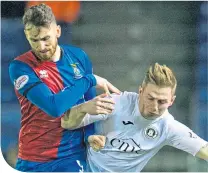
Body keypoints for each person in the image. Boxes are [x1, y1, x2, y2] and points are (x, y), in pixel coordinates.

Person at [8, 3, 120, 172]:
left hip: (72, 158)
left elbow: (91, 104)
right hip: (33, 160)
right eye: (34, 40)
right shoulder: (20, 67)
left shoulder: (79, 57)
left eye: (46, 38)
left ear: (58, 31)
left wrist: (90, 136)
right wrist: (89, 80)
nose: (41, 47)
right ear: (26, 35)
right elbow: (54, 107)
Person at [61, 63, 208, 172]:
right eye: (150, 98)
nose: (155, 107)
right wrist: (84, 108)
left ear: (172, 101)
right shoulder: (116, 102)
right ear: (141, 91)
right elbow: (66, 123)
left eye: (162, 102)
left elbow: (204, 150)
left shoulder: (168, 127)